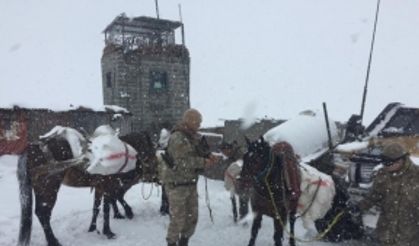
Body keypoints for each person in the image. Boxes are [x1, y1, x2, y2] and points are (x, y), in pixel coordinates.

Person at [161, 108, 220, 246]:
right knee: (178, 220)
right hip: (177, 186)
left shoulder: (191, 137)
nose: (199, 125)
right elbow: (181, 162)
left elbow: (195, 153)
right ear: (189, 121)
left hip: (190, 184)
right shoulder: (178, 137)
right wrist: (204, 162)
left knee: (191, 219)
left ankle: (184, 242)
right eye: (198, 122)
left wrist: (208, 156)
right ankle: (172, 243)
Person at [356, 142, 419, 246]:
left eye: (388, 164)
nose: (385, 167)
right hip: (386, 232)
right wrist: (359, 207)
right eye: (383, 163)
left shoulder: (416, 176)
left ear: (400, 160)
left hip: (410, 235)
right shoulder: (383, 174)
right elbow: (374, 195)